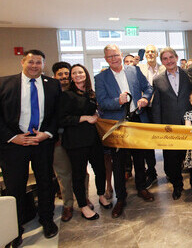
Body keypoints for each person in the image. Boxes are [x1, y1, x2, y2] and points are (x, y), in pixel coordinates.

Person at [0, 50, 61, 246]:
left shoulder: (52, 85)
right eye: (31, 62)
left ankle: (47, 219)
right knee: (15, 187)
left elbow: (56, 114)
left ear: (43, 65)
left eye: (38, 63)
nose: (34, 66)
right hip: (14, 145)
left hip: (42, 142)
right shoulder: (4, 83)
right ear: (22, 62)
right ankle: (14, 229)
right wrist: (13, 137)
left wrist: (48, 133)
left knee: (46, 182)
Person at [95, 44, 155, 218]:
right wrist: (118, 101)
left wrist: (144, 98)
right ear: (106, 59)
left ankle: (141, 188)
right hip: (117, 124)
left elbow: (149, 88)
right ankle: (121, 198)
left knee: (139, 157)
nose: (113, 59)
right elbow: (102, 102)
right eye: (109, 57)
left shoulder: (133, 71)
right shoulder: (101, 78)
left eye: (115, 55)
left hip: (136, 119)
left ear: (121, 54)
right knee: (119, 163)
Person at [59, 64, 112, 220]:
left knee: (100, 169)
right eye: (74, 73)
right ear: (71, 77)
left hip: (93, 139)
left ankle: (101, 195)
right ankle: (83, 205)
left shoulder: (91, 94)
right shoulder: (66, 95)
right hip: (75, 141)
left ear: (86, 74)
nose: (77, 75)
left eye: (80, 72)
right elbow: (61, 119)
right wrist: (84, 118)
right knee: (79, 174)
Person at [52, 61, 92, 222]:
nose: (64, 77)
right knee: (64, 174)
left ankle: (85, 198)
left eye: (66, 74)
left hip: (76, 139)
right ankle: (68, 204)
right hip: (58, 139)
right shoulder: (51, 92)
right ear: (55, 76)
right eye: (60, 74)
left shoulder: (79, 92)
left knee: (81, 171)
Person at [151, 47, 192, 200]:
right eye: (165, 59)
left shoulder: (189, 75)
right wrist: (159, 129)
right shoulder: (157, 80)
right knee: (171, 160)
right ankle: (177, 186)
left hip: (189, 124)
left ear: (176, 57)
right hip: (169, 127)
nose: (169, 61)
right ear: (162, 61)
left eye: (171, 57)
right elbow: (156, 106)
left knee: (191, 156)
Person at [138, 44, 164, 188]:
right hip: (145, 110)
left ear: (157, 54)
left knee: (164, 139)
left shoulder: (163, 68)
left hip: (161, 109)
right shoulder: (139, 69)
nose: (150, 54)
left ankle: (172, 170)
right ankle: (152, 171)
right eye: (147, 52)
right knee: (147, 142)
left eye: (152, 52)